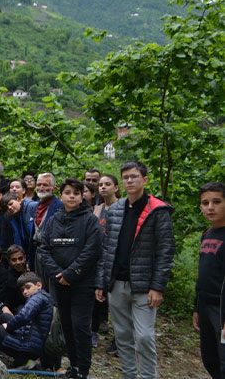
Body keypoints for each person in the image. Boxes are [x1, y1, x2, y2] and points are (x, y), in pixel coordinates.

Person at [96, 161, 175, 379]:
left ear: (145, 180)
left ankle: (149, 375)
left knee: (144, 336)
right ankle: (129, 374)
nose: (129, 181)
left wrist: (158, 287)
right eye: (126, 177)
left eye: (134, 176)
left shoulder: (157, 210)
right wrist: (101, 283)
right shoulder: (116, 210)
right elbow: (106, 249)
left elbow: (165, 252)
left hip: (144, 286)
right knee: (122, 334)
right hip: (117, 284)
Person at [39, 178, 102, 379]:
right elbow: (44, 249)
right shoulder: (53, 219)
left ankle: (83, 370)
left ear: (82, 195)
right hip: (59, 282)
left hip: (82, 282)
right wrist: (57, 273)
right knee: (66, 325)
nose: (72, 196)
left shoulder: (90, 219)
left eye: (76, 192)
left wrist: (70, 273)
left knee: (80, 326)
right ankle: (74, 367)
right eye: (68, 192)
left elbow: (92, 251)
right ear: (61, 195)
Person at [194, 182, 225, 378]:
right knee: (210, 358)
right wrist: (196, 307)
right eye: (205, 203)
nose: (210, 207)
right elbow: (202, 274)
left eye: (216, 202)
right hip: (205, 306)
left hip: (221, 308)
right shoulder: (207, 234)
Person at [0, 272, 54, 369]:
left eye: (28, 287)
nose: (25, 292)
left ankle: (22, 359)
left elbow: (24, 316)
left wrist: (9, 327)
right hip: (33, 342)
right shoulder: (43, 297)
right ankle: (23, 360)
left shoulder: (38, 297)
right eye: (23, 290)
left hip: (29, 347)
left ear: (39, 285)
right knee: (5, 316)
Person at [92, 174, 120, 348]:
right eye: (101, 184)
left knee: (117, 301)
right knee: (97, 296)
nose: (103, 187)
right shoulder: (97, 208)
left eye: (107, 184)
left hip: (115, 258)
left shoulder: (122, 207)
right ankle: (93, 331)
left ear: (116, 187)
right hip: (98, 257)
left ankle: (119, 339)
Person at [26, 172, 62, 274]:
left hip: (53, 255)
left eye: (45, 185)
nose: (41, 187)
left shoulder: (60, 206)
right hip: (37, 252)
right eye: (39, 185)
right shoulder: (35, 206)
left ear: (54, 189)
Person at [3, 244, 29, 314]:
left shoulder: (33, 269)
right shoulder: (9, 278)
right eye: (14, 260)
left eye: (20, 258)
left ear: (25, 258)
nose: (18, 262)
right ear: (9, 261)